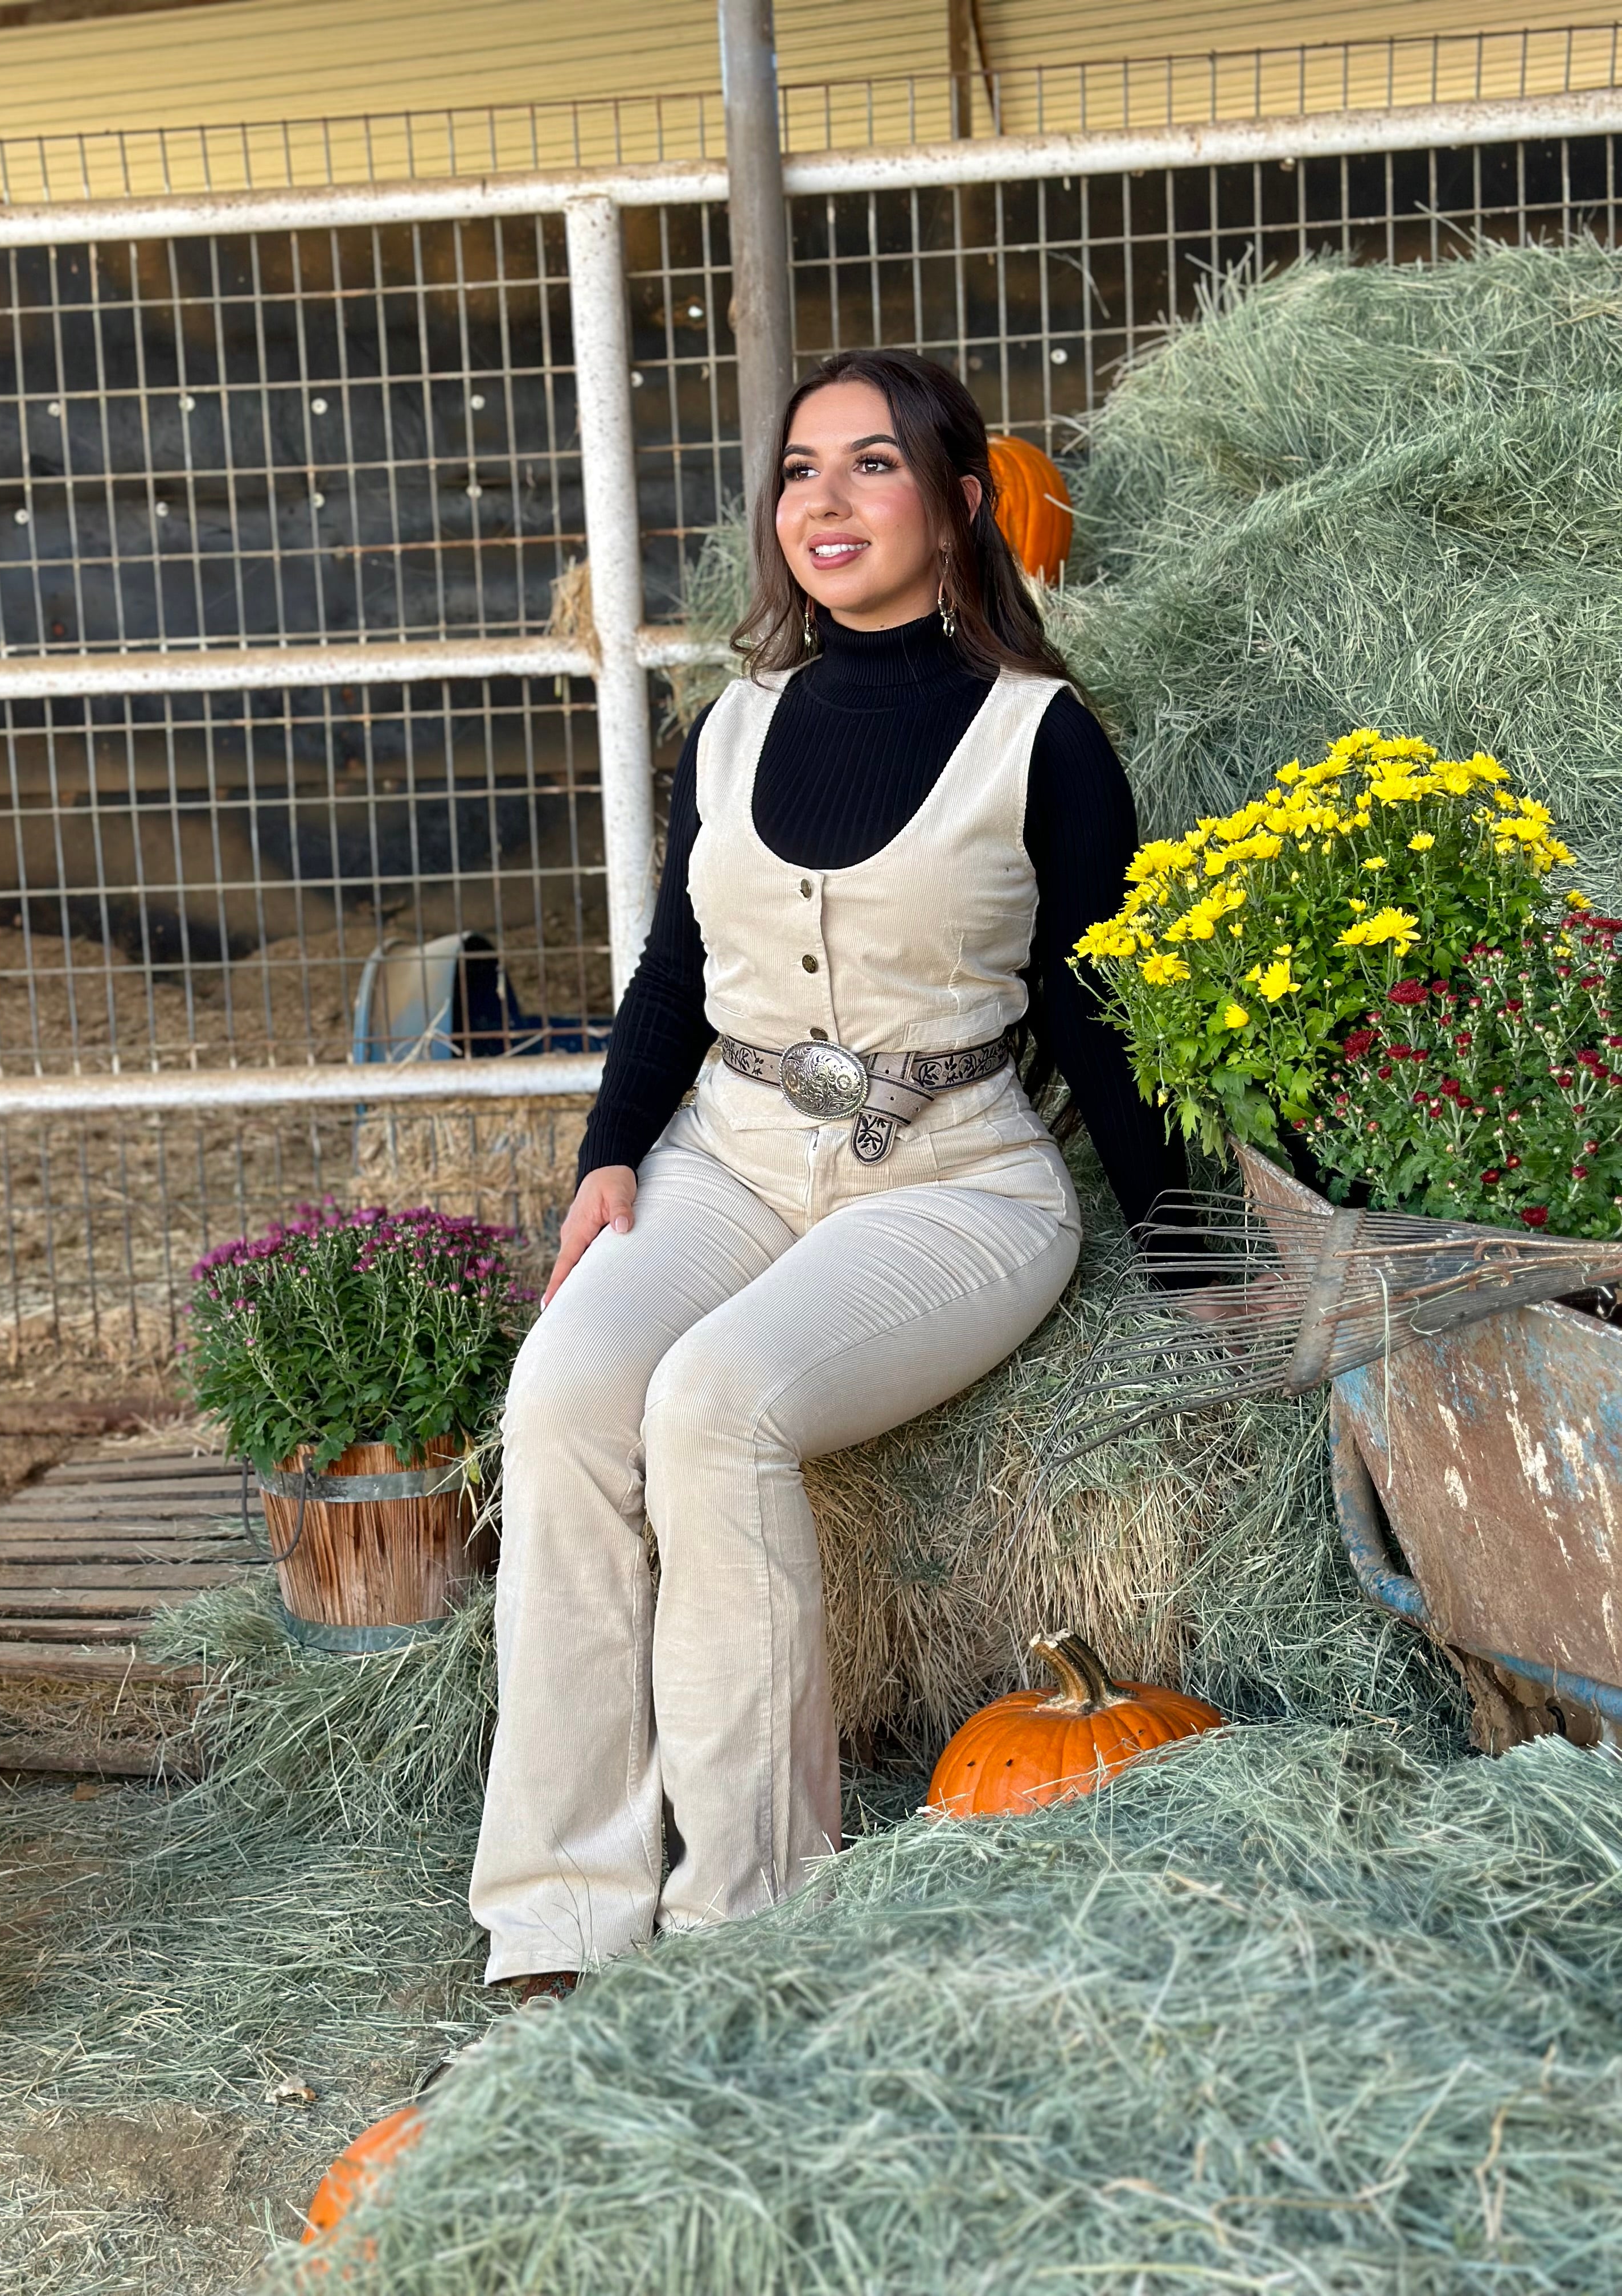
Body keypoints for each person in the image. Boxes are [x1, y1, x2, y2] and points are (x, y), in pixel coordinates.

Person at [469, 348, 1182, 1992]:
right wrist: (609, 1158)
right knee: (568, 1393)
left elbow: (1097, 1005)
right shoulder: (730, 732)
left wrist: (1200, 1256)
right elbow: (673, 973)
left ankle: (755, 1913)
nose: (826, 500)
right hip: (728, 1148)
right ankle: (559, 1912)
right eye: (800, 470)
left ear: (954, 504)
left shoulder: (1043, 739)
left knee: (715, 1406)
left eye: (871, 465)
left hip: (951, 1182)